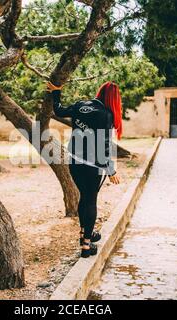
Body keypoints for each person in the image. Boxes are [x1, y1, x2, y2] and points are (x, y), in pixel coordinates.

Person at [47, 81, 122, 258]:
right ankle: (87, 247)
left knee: (84, 198)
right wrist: (111, 170)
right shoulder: (106, 114)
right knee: (90, 201)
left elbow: (58, 111)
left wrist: (56, 92)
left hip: (74, 162)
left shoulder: (80, 105)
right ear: (114, 98)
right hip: (93, 166)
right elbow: (104, 145)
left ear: (100, 92)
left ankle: (84, 235)